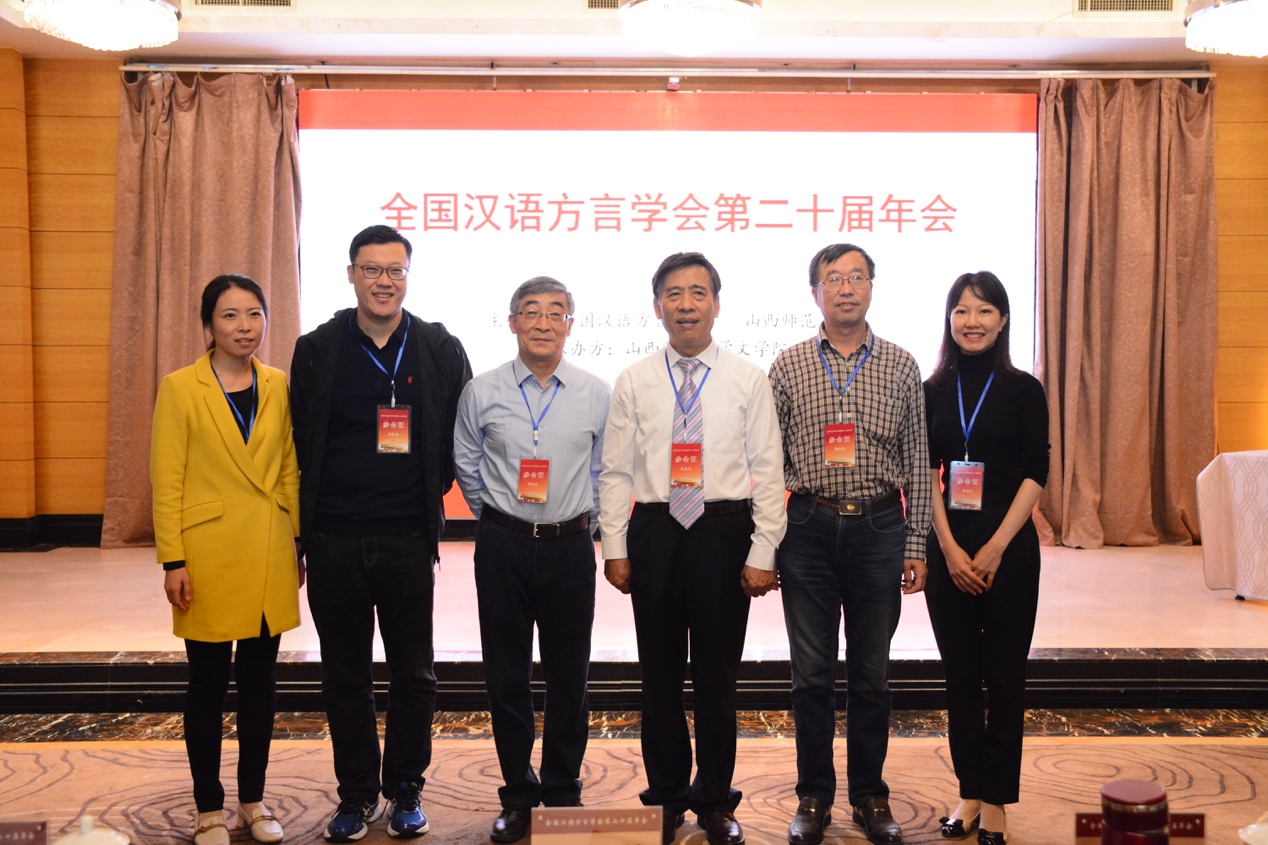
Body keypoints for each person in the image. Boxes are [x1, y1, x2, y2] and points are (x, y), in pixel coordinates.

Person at [290, 225, 472, 842]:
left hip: (406, 539)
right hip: (334, 538)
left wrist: (428, 494)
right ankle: (357, 794)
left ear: (407, 276)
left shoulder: (438, 346)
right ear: (351, 275)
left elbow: (459, 431)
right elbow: (299, 438)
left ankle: (406, 789)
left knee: (413, 674)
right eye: (371, 269)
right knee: (344, 675)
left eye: (395, 270)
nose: (383, 281)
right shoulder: (317, 348)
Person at [599, 252, 786, 845]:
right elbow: (614, 472)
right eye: (674, 295)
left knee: (716, 678)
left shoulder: (747, 378)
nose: (686, 305)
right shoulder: (634, 380)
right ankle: (666, 796)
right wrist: (614, 545)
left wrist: (763, 552)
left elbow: (769, 470)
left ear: (717, 304)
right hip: (655, 532)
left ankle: (714, 800)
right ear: (657, 307)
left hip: (722, 533)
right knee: (657, 677)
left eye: (698, 293)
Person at [768, 243, 932, 845]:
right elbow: (768, 462)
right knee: (810, 675)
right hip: (807, 528)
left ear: (871, 288)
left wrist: (917, 542)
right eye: (833, 279)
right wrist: (767, 542)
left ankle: (869, 796)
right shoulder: (787, 365)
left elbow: (917, 457)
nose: (845, 288)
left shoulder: (900, 364)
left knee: (871, 676)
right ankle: (813, 796)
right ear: (815, 293)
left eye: (856, 277)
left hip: (879, 528)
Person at [453, 276, 610, 843]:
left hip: (570, 546)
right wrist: (503, 519)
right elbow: (467, 463)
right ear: (512, 321)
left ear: (571, 323)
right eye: (531, 312)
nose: (543, 323)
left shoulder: (596, 393)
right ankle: (518, 793)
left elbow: (604, 471)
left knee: (570, 674)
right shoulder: (482, 390)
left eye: (555, 312)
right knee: (507, 674)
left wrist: (576, 519)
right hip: (504, 546)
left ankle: (563, 789)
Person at [150, 274, 302, 845]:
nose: (244, 326)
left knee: (261, 685)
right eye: (230, 315)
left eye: (254, 314)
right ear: (208, 325)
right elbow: (167, 478)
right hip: (207, 554)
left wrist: (297, 541)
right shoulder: (181, 387)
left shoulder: (278, 382)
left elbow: (288, 466)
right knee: (208, 685)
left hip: (267, 546)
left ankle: (253, 800)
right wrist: (173, 559)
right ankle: (208, 807)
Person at [922, 272, 1049, 845]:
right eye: (961, 311)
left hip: (1009, 545)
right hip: (949, 545)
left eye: (984, 311)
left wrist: (996, 546)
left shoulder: (1024, 390)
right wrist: (949, 549)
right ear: (949, 319)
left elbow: (1035, 472)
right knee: (959, 676)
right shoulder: (931, 390)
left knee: (1004, 675)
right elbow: (923, 472)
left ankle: (997, 800)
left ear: (1002, 321)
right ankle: (969, 791)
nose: (971, 321)